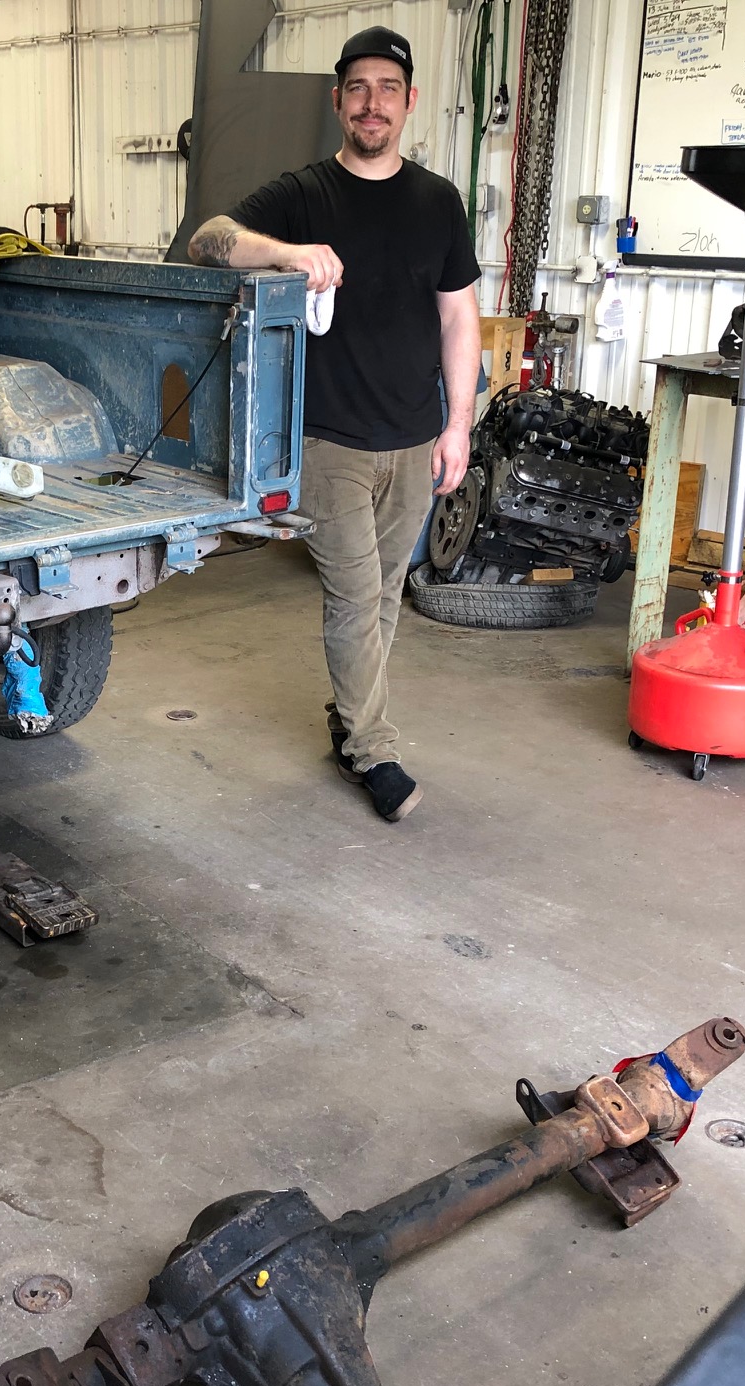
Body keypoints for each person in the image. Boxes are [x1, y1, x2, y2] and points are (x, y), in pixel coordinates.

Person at [187, 26, 481, 823]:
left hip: (414, 439)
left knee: (383, 595)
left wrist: (458, 425)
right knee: (354, 597)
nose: (371, 103)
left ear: (410, 102)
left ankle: (348, 721)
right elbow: (206, 241)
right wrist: (283, 251)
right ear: (337, 101)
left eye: (387, 89)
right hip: (327, 442)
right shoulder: (303, 194)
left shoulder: (438, 202)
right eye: (357, 88)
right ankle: (373, 750)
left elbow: (459, 319)